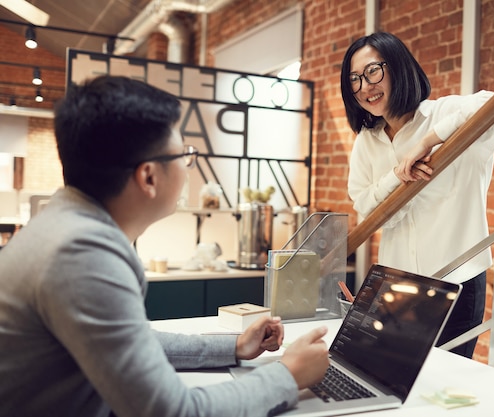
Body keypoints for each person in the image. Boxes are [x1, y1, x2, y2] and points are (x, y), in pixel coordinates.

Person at [0, 75, 329, 417]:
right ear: (149, 177)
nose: (188, 169)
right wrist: (288, 374)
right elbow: (172, 412)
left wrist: (234, 345)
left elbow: (129, 342)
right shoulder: (82, 255)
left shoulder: (63, 223)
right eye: (184, 156)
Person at [340, 32, 494, 358]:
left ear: (398, 66)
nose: (364, 86)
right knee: (391, 380)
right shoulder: (367, 141)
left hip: (457, 279)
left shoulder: (445, 112)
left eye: (372, 71)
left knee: (445, 385)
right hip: (396, 284)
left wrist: (427, 143)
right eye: (354, 79)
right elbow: (364, 205)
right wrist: (398, 175)